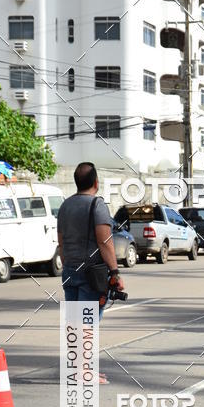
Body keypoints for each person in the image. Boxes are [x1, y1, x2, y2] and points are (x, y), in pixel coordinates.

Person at [57, 162, 125, 384]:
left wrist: (69, 265)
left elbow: (61, 241)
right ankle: (84, 372)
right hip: (91, 274)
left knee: (75, 323)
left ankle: (78, 370)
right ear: (96, 182)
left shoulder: (65, 206)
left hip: (69, 271)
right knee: (87, 323)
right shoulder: (97, 205)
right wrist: (115, 272)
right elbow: (105, 242)